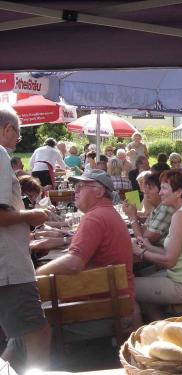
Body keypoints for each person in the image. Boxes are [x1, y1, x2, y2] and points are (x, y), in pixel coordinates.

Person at [36, 169, 138, 329]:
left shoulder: (94, 217)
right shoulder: (106, 213)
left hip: (101, 310)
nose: (75, 190)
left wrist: (35, 275)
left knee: (30, 321)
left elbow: (73, 263)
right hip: (117, 302)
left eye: (81, 186)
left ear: (99, 191)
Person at [0, 109, 51, 371]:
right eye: (19, 134)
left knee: (20, 335)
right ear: (8, 129)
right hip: (8, 266)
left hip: (8, 264)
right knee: (38, 335)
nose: (18, 140)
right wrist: (36, 214)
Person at [132, 170, 182, 308]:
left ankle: (154, 327)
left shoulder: (180, 216)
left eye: (164, 188)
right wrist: (147, 246)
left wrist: (139, 252)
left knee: (125, 288)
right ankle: (157, 325)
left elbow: (169, 261)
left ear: (178, 192)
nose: (160, 193)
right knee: (136, 282)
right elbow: (174, 254)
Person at [123, 172, 173, 246]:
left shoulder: (165, 209)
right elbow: (147, 227)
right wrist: (136, 216)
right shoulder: (157, 207)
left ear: (161, 191)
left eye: (150, 188)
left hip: (158, 254)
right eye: (145, 188)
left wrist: (132, 217)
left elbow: (143, 242)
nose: (146, 192)